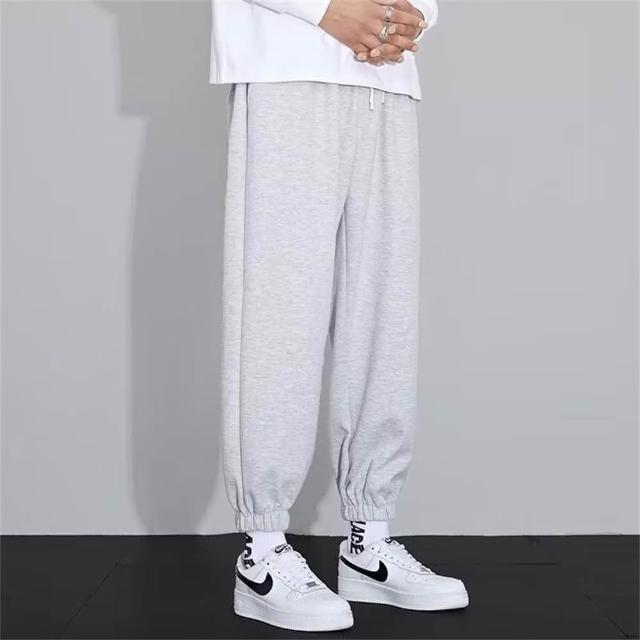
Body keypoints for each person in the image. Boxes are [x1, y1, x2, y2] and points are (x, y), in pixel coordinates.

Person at [210, 0, 469, 631]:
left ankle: (368, 542)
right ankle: (263, 551)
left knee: (384, 313)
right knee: (279, 315)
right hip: (287, 68)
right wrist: (325, 8)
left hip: (385, 81)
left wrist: (414, 16)